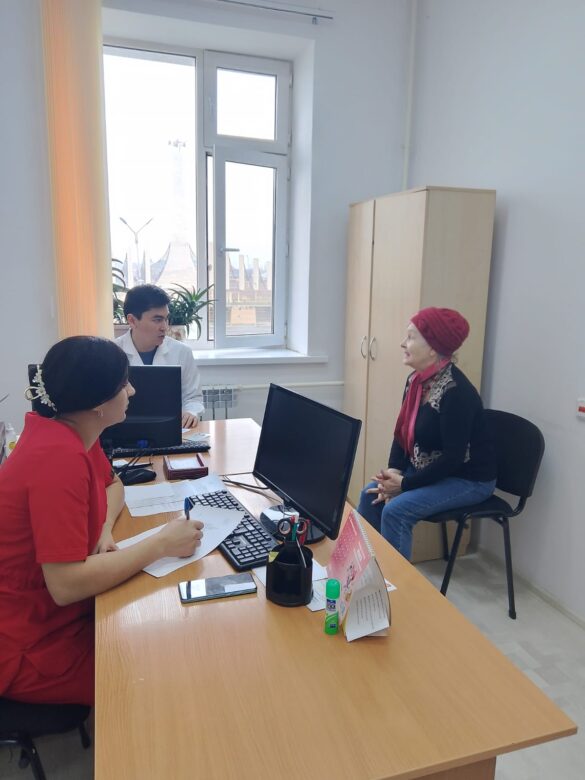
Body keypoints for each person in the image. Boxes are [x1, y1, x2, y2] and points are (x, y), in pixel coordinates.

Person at [0, 336, 204, 706]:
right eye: (124, 384)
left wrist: (103, 528)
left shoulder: (72, 430)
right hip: (32, 638)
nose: (132, 391)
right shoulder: (57, 460)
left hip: (59, 611)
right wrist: (161, 544)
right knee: (161, 676)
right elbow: (65, 586)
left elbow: (113, 484)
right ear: (98, 404)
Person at [357, 307, 496, 561]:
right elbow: (402, 432)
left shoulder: (456, 392)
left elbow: (453, 458)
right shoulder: (416, 381)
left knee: (396, 511)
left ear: (432, 348)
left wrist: (404, 485)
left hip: (468, 479)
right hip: (431, 470)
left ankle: (394, 583)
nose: (403, 343)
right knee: (371, 495)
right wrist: (394, 472)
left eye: (410, 337)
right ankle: (365, 570)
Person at [115, 284, 204, 428]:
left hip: (170, 429)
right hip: (123, 432)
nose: (165, 327)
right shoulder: (112, 353)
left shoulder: (182, 352)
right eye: (157, 320)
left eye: (165, 319)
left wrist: (191, 412)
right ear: (132, 320)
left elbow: (193, 397)